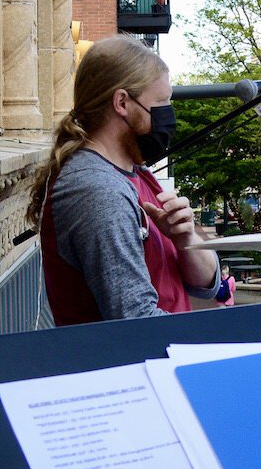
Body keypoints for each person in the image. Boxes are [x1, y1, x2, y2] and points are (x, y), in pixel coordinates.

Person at [27, 36, 221, 324]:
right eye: (161, 102)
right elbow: (137, 322)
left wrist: (184, 238)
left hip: (164, 357)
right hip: (140, 365)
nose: (168, 115)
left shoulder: (137, 173)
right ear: (122, 102)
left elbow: (207, 285)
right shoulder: (96, 191)